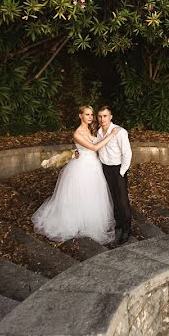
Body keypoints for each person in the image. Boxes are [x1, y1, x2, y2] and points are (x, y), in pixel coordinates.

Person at [31, 106, 119, 244]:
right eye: (87, 114)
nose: (90, 117)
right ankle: (77, 222)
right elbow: (95, 147)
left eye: (91, 114)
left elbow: (91, 147)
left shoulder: (90, 130)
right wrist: (112, 135)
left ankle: (90, 221)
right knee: (80, 195)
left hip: (94, 166)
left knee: (93, 195)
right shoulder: (77, 133)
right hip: (82, 168)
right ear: (80, 116)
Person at [94, 105, 133, 245]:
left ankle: (127, 229)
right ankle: (119, 222)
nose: (102, 119)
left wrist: (122, 172)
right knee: (113, 197)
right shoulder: (99, 132)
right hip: (105, 168)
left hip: (118, 169)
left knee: (122, 200)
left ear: (110, 117)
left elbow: (127, 153)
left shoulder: (120, 132)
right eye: (100, 116)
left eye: (105, 116)